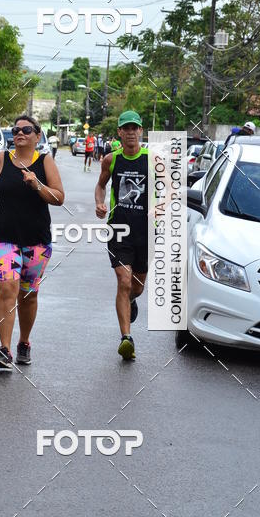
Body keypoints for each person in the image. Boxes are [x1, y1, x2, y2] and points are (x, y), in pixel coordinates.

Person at [0, 115, 65, 370]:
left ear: (37, 136)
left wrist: (37, 184)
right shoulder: (1, 159)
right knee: (7, 287)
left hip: (36, 241)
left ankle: (24, 342)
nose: (20, 133)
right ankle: (4, 350)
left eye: (26, 130)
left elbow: (59, 197)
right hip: (3, 238)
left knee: (28, 295)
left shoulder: (45, 162)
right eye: (15, 130)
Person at [95, 110, 148, 360]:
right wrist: (99, 203)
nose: (130, 132)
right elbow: (101, 185)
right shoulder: (111, 159)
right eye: (125, 128)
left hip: (146, 232)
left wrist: (163, 205)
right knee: (123, 281)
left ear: (140, 131)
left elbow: (170, 188)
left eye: (134, 128)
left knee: (136, 287)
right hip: (119, 228)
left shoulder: (152, 159)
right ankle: (126, 338)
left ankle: (131, 301)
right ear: (119, 132)